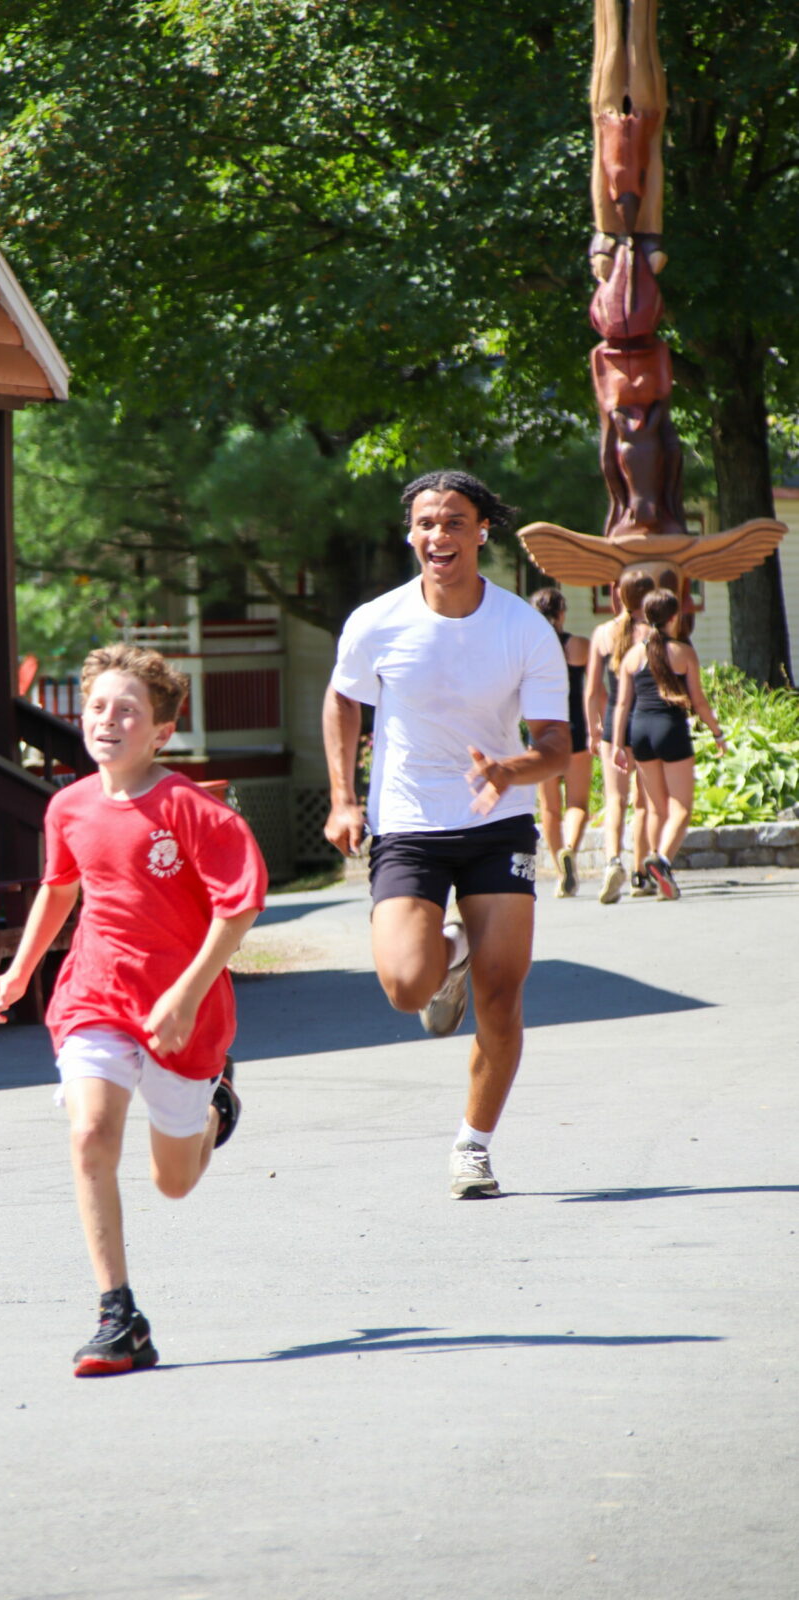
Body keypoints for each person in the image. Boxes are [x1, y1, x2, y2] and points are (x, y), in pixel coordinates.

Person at [0, 644, 267, 1376]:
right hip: (94, 994)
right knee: (89, 1135)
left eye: (128, 711)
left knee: (174, 1181)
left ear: (161, 731)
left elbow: (239, 907)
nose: (107, 720)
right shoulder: (68, 806)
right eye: (98, 707)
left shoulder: (191, 810)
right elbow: (60, 889)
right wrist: (18, 973)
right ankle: (118, 1316)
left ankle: (215, 1109)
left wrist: (185, 993)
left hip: (183, 1011)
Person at [322, 469, 570, 1199]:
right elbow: (342, 700)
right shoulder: (377, 621)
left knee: (501, 992)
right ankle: (451, 951)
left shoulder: (522, 628)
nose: (439, 535)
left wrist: (508, 769)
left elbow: (555, 745)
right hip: (408, 823)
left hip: (498, 821)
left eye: (454, 521)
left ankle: (473, 1145)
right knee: (407, 987)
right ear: (410, 535)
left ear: (481, 532)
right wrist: (343, 799)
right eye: (426, 523)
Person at [611, 588, 726, 899]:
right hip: (670, 729)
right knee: (681, 808)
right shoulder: (683, 653)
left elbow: (622, 705)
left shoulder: (632, 656)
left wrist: (618, 745)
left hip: (640, 731)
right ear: (674, 618)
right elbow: (699, 702)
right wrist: (717, 733)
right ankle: (661, 862)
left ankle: (650, 877)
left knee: (655, 808)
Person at [584, 570, 654, 902]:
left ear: (619, 596)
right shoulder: (653, 634)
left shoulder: (602, 634)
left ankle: (613, 860)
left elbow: (591, 689)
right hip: (645, 720)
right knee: (643, 802)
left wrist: (593, 729)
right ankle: (640, 874)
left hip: (614, 722)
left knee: (615, 799)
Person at [530, 588, 592, 897]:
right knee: (577, 803)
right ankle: (570, 850)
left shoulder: (529, 648)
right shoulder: (578, 646)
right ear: (562, 613)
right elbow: (594, 690)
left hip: (541, 732)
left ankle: (559, 874)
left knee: (549, 808)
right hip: (575, 728)